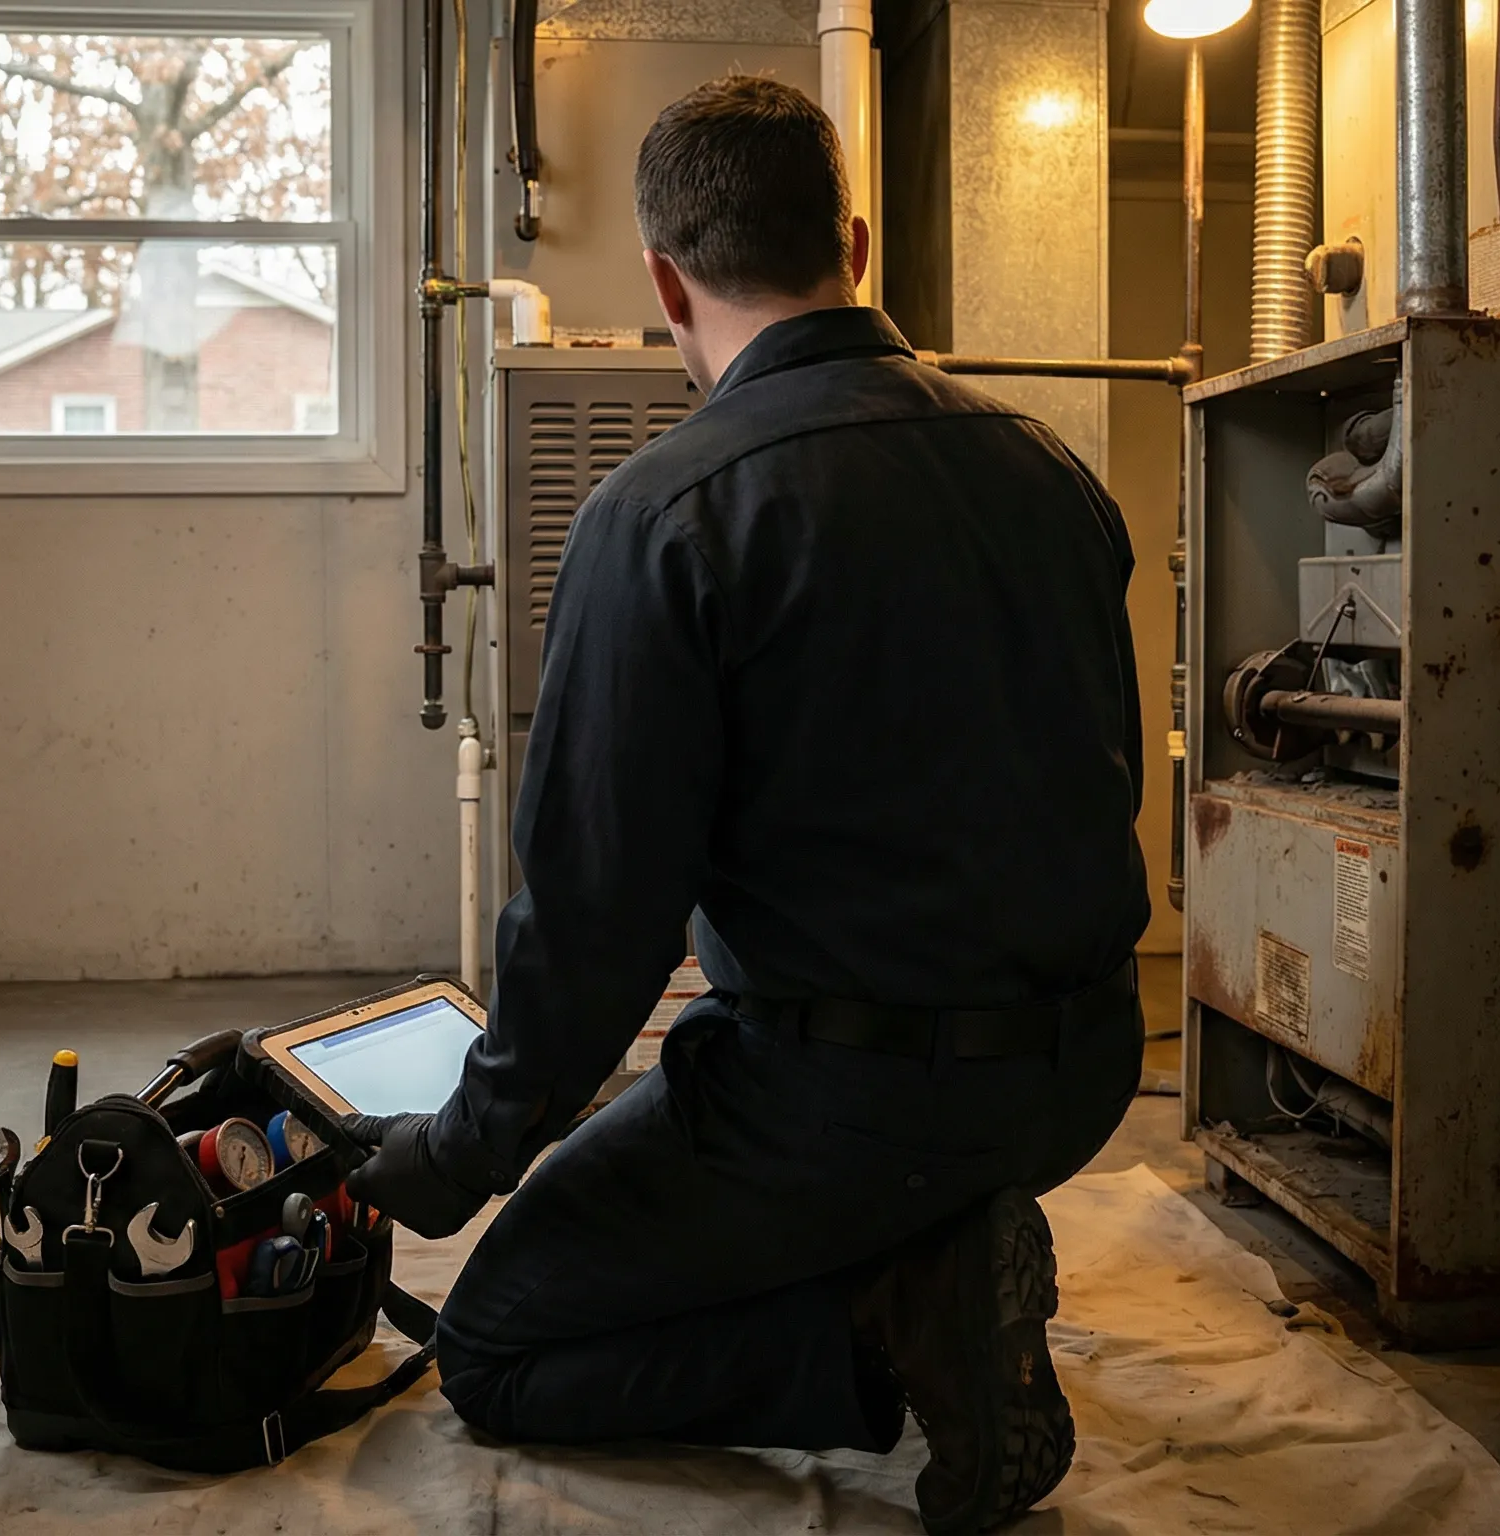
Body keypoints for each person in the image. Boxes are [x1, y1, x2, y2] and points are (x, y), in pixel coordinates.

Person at [341, 74, 1148, 1535]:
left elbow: (597, 921)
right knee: (784, 1147)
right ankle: (927, 1242)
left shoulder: (662, 512)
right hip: (1080, 1073)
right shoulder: (1057, 472)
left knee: (500, 1342)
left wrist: (457, 1157)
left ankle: (893, 1326)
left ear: (663, 281)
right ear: (852, 237)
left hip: (849, 1096)